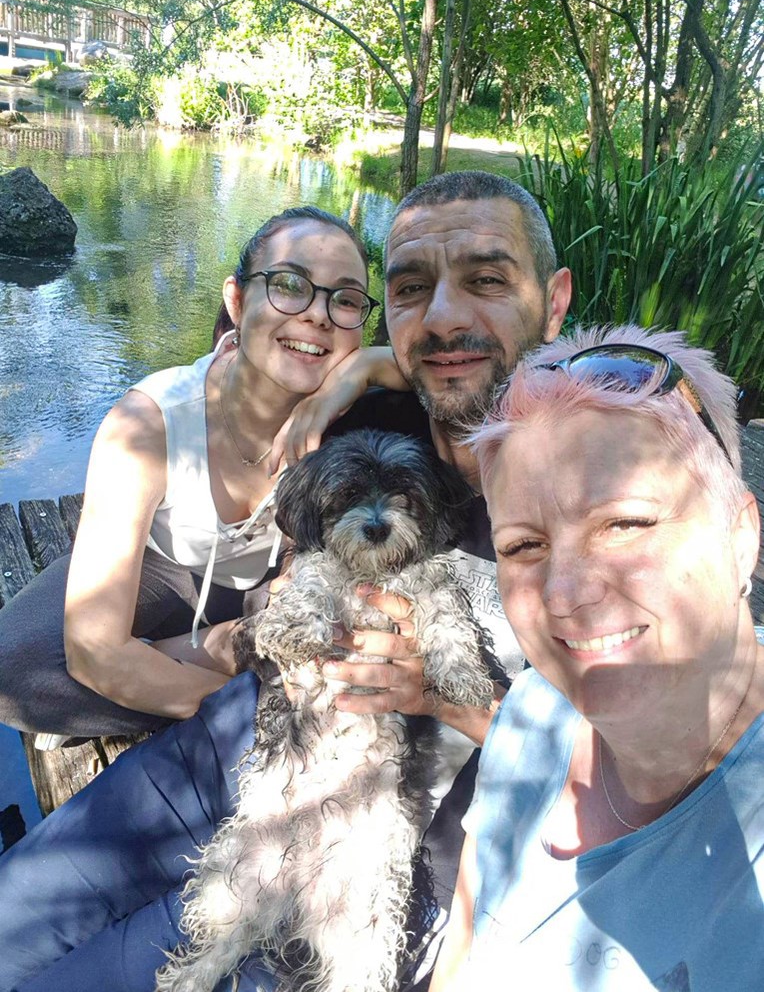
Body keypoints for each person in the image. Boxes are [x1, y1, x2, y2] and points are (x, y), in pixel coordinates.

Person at [0, 171, 572, 991]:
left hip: (375, 852)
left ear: (554, 302)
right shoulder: (371, 416)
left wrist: (442, 698)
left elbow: (630, 754)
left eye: (486, 279)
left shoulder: (602, 485)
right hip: (236, 740)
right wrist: (356, 373)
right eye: (412, 288)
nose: (445, 315)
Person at [431, 325, 764, 992]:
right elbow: (461, 948)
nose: (563, 594)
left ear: (741, 537)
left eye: (623, 523)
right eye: (524, 546)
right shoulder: (533, 710)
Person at [0, 205, 383, 738]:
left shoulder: (352, 411)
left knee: (346, 633)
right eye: (290, 285)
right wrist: (247, 714)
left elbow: (443, 367)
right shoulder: (148, 423)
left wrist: (366, 367)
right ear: (237, 300)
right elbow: (94, 649)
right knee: (16, 669)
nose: (319, 315)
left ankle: (165, 670)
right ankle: (229, 679)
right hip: (163, 572)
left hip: (271, 594)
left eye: (345, 299)